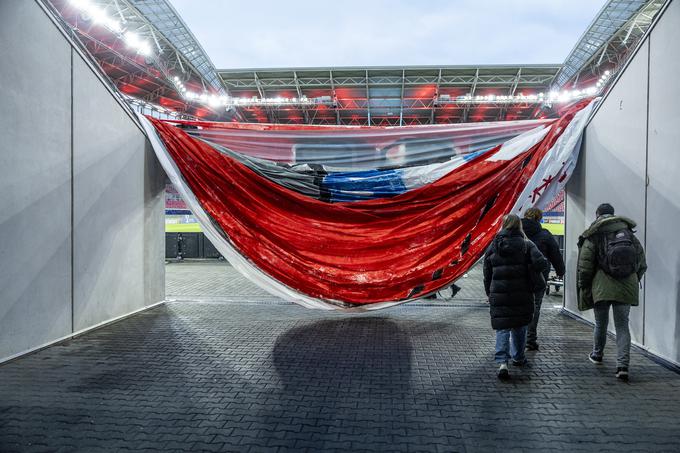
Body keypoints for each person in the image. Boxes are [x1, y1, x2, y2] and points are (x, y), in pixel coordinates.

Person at [577, 203, 647, 381]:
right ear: (613, 214)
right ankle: (622, 366)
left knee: (601, 323)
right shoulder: (629, 234)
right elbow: (642, 262)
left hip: (602, 286)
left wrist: (584, 285)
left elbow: (585, 265)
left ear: (597, 215)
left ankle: (597, 355)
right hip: (627, 285)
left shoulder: (594, 234)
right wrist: (632, 278)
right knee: (622, 325)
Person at [484, 214, 548, 380]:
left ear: (504, 225)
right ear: (519, 226)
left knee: (502, 328)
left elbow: (487, 272)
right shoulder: (527, 244)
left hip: (499, 293)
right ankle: (518, 357)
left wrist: (488, 292)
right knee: (520, 326)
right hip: (522, 292)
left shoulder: (494, 245)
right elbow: (541, 264)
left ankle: (502, 363)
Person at [521, 208, 566, 351]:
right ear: (539, 218)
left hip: (517, 278)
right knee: (535, 308)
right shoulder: (545, 234)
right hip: (538, 278)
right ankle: (530, 340)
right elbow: (556, 255)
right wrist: (560, 271)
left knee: (517, 308)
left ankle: (516, 340)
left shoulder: (516, 233)